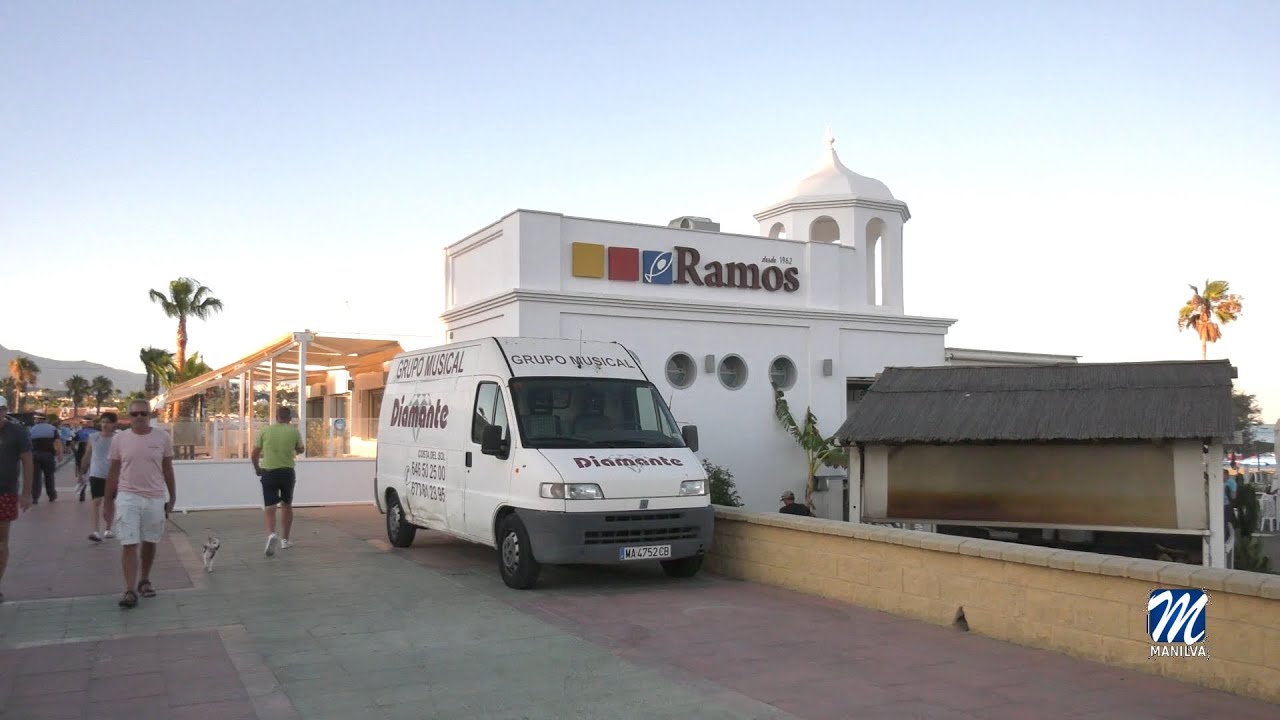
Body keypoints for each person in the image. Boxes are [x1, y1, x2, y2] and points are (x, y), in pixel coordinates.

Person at [103, 401, 175, 609]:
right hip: (128, 497)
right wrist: (108, 501)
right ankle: (129, 589)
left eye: (143, 413)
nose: (139, 417)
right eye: (135, 414)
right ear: (129, 416)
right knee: (129, 542)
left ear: (150, 414)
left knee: (150, 541)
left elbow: (168, 469)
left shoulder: (162, 437)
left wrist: (173, 496)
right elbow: (114, 471)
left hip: (154, 496)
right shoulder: (120, 439)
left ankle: (144, 579)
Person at [251, 406, 304, 556]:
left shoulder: (265, 430)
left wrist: (257, 468)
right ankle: (285, 540)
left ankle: (272, 534)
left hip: (269, 472)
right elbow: (301, 449)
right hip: (287, 472)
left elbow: (254, 454)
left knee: (270, 507)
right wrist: (293, 450)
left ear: (276, 417)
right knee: (286, 505)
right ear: (290, 418)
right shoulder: (293, 431)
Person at [0, 396, 34, 602]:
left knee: (2, 542)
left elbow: (27, 462)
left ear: (5, 411)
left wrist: (26, 493)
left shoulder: (17, 432)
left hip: (6, 492)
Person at [78, 412, 118, 542]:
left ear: (113, 424)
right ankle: (95, 531)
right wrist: (81, 472)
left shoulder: (117, 438)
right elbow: (87, 455)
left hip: (112, 475)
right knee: (96, 501)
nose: (105, 424)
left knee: (109, 502)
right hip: (96, 474)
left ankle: (108, 528)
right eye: (103, 422)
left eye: (108, 422)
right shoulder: (93, 437)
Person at [27, 413, 62, 503]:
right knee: (49, 476)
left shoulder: (32, 429)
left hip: (35, 455)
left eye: (35, 419)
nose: (34, 421)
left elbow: (27, 444)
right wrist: (59, 454)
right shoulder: (53, 429)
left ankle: (35, 497)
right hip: (48, 455)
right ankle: (52, 495)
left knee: (35, 477)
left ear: (39, 420)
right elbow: (58, 442)